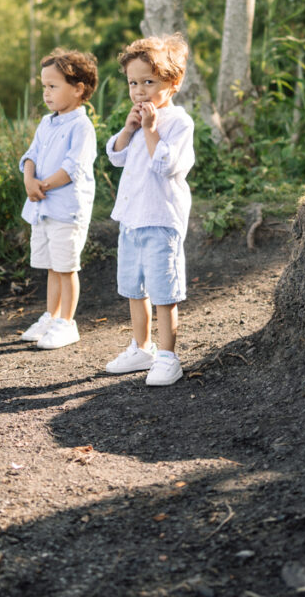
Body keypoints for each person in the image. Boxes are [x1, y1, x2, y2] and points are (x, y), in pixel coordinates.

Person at [105, 33, 195, 385]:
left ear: (173, 83)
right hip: (131, 218)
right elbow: (116, 156)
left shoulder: (178, 122)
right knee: (134, 287)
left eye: (148, 82)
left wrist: (151, 130)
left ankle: (168, 356)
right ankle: (142, 348)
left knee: (164, 290)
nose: (139, 90)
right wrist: (129, 129)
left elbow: (168, 166)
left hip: (160, 219)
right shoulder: (138, 119)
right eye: (132, 83)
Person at [19, 48, 98, 350]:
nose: (47, 93)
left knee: (67, 268)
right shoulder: (47, 123)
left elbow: (73, 167)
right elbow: (32, 155)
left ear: (78, 89)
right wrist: (29, 179)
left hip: (66, 210)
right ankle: (51, 316)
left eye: (53, 86)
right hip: (43, 208)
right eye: (44, 87)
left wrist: (43, 186)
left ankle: (68, 322)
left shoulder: (81, 127)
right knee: (53, 267)